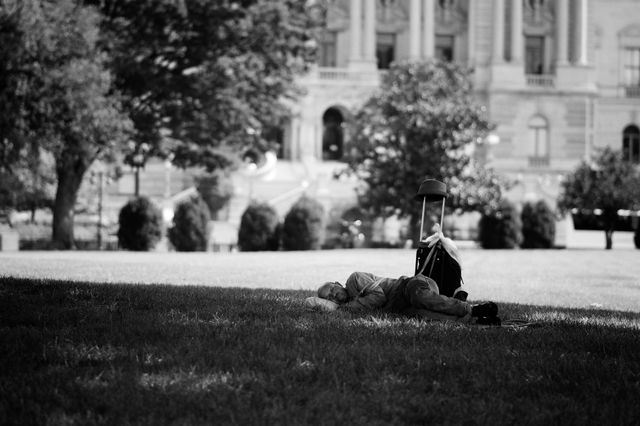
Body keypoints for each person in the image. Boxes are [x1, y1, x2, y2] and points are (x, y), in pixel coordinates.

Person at [312, 271, 500, 325]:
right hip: (399, 307)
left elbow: (377, 297)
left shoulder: (354, 279)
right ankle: (479, 320)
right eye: (329, 297)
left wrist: (344, 309)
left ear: (337, 283)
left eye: (331, 289)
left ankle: (470, 308)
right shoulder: (351, 307)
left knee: (420, 299)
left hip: (409, 286)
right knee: (424, 315)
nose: (333, 295)